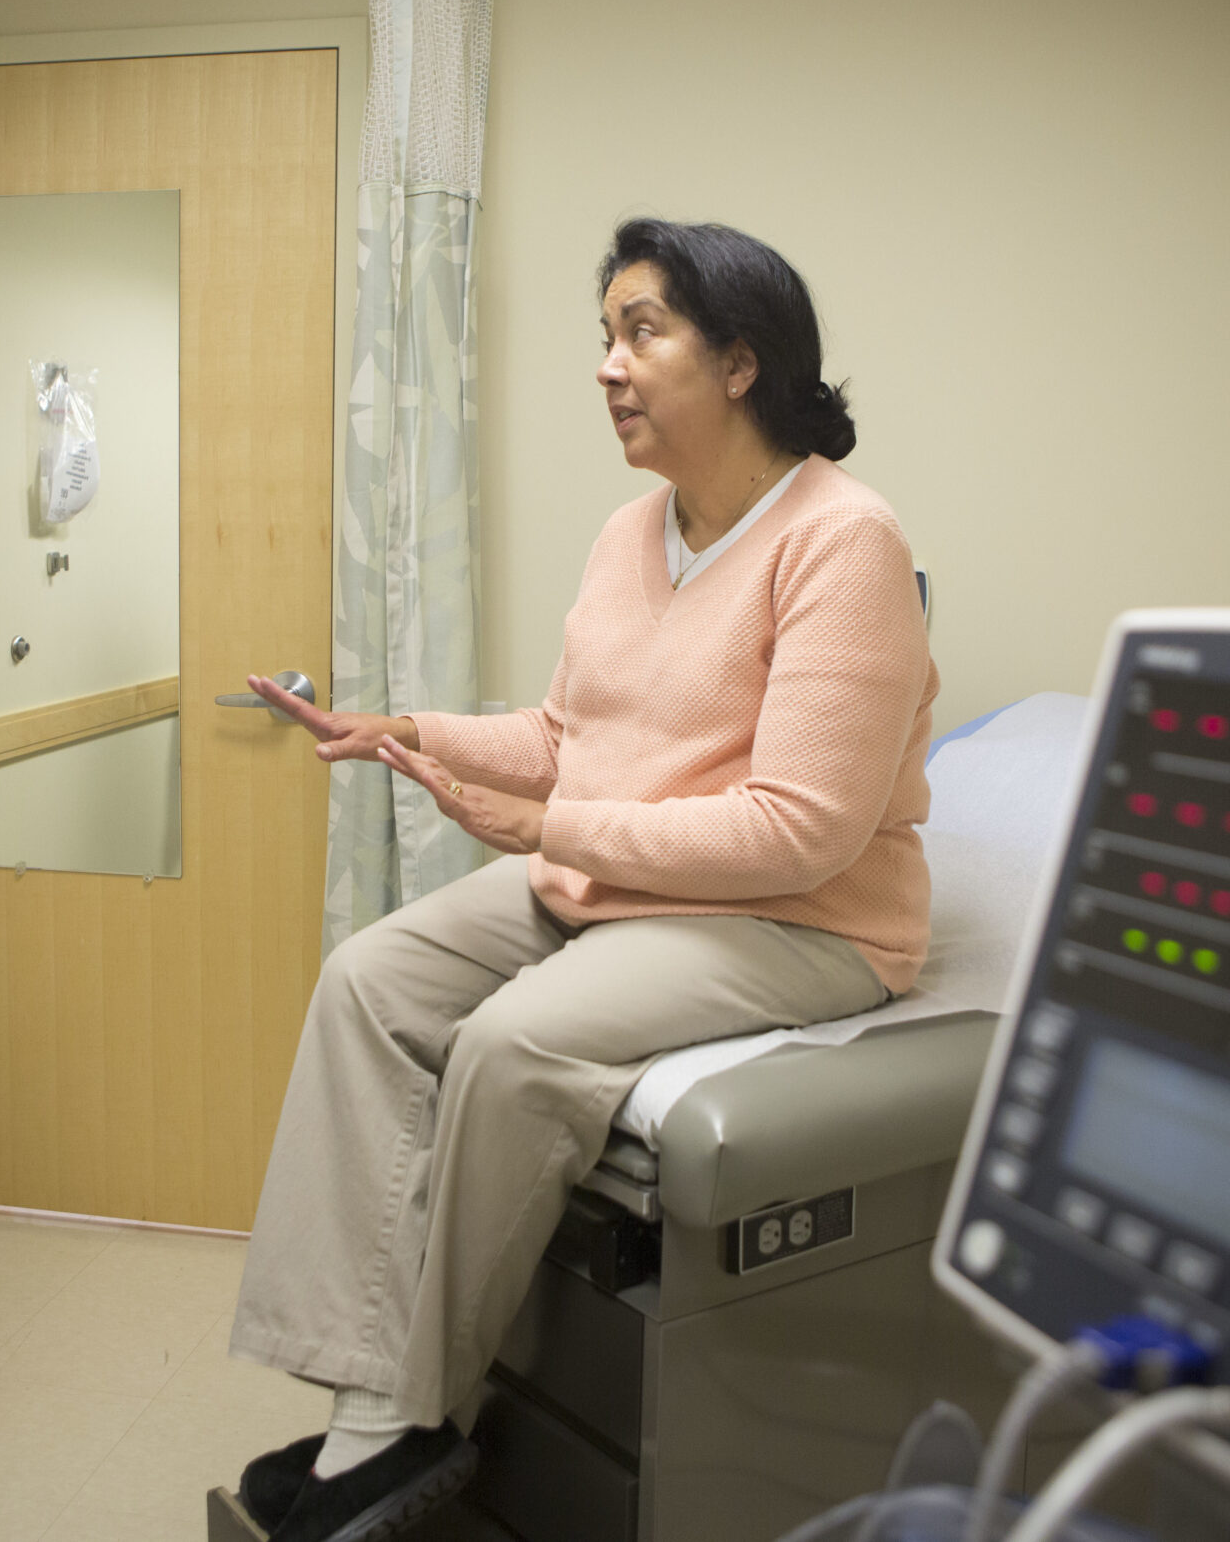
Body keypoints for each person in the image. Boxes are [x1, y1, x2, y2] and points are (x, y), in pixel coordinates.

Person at [225, 219, 940, 1542]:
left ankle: (417, 1417)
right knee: (370, 979)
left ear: (738, 361)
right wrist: (409, 732)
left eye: (640, 332)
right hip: (631, 879)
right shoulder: (633, 532)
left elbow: (803, 833)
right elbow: (566, 743)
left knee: (514, 1043)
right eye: (604, 336)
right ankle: (366, 1391)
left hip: (805, 920)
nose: (608, 365)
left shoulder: (845, 544)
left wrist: (561, 830)